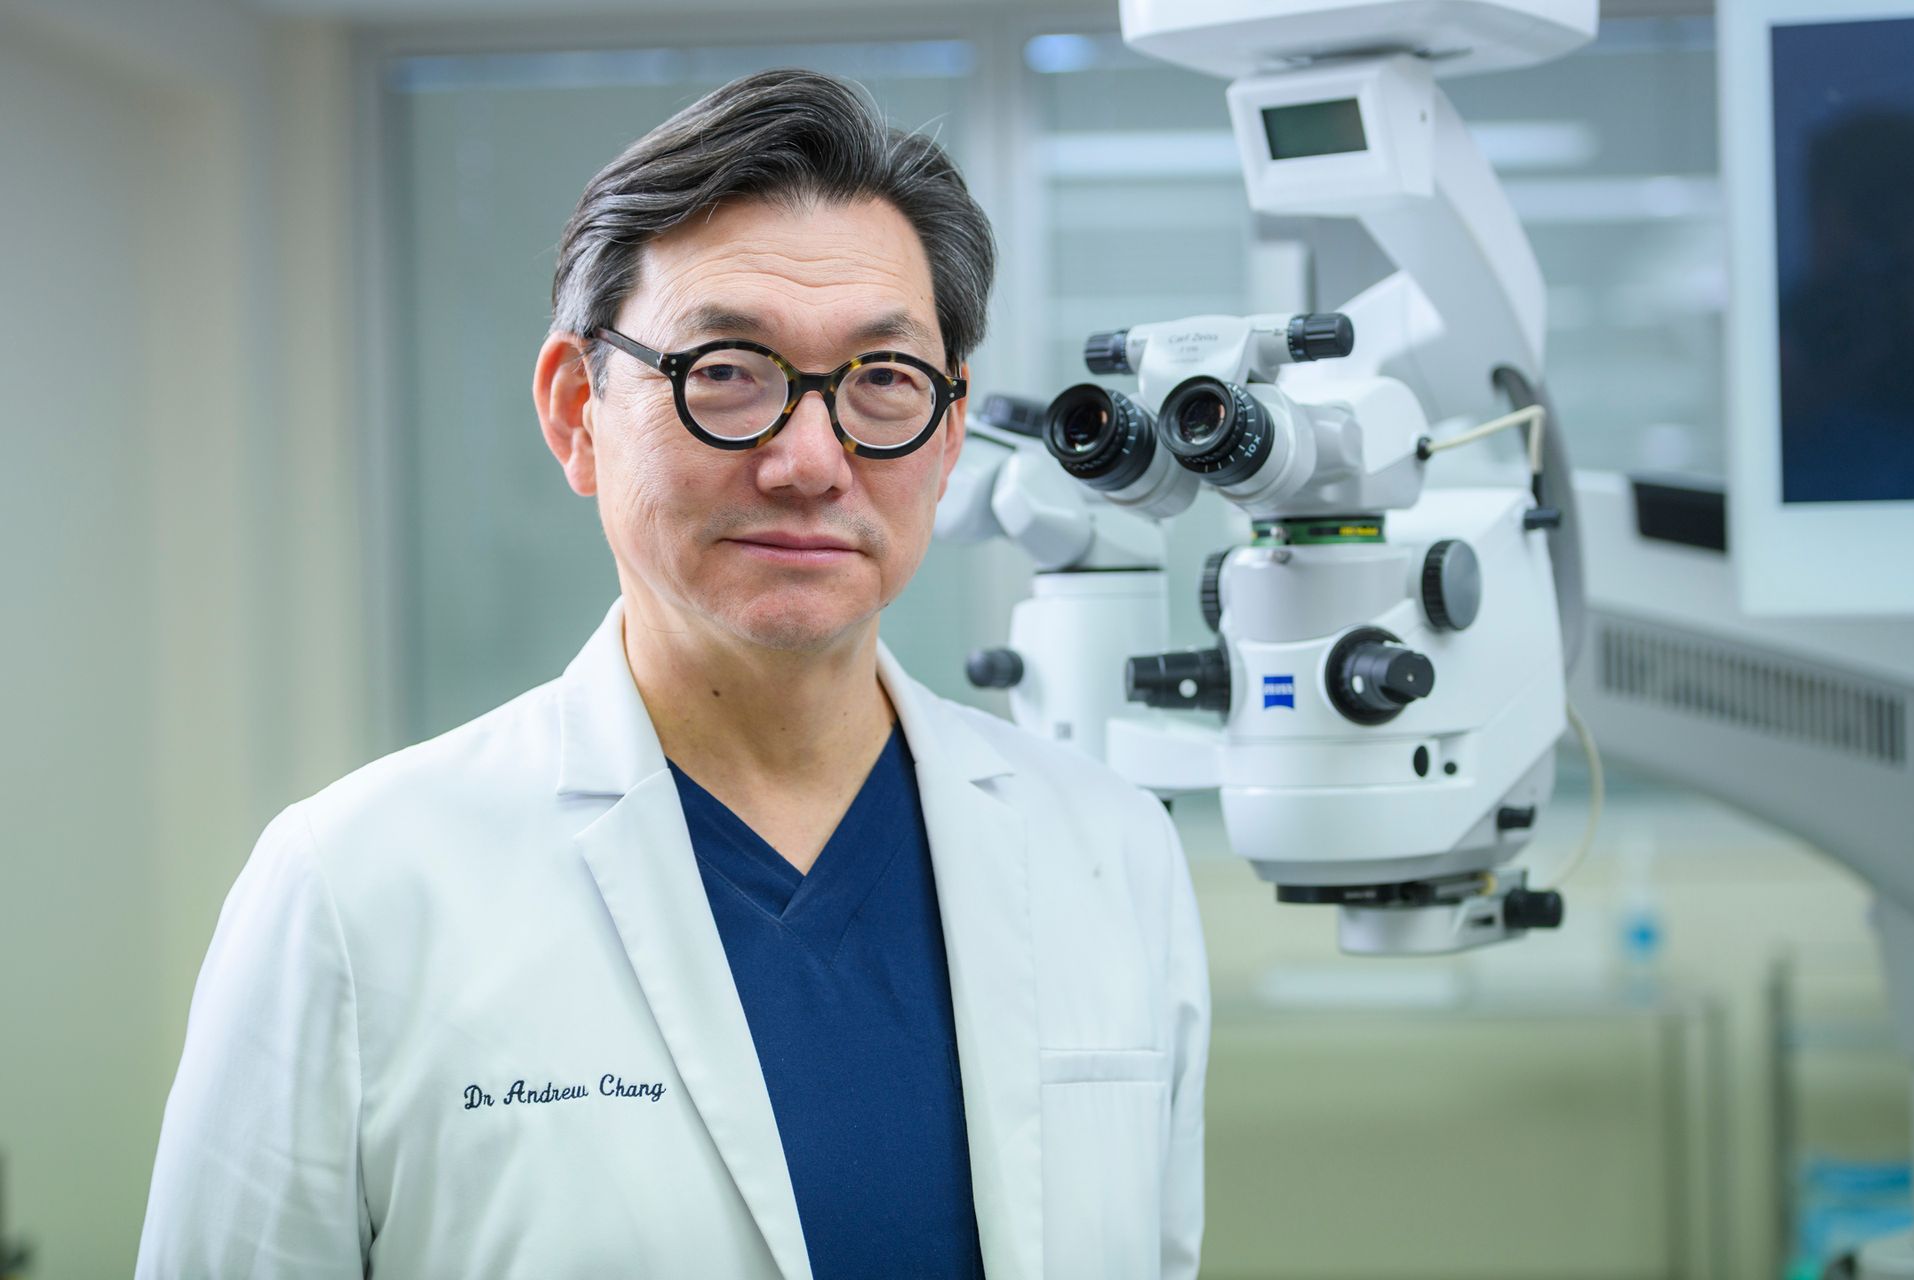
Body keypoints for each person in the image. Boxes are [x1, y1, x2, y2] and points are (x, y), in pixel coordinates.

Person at [137, 67, 1209, 1280]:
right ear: (576, 412)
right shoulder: (354, 888)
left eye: (884, 381)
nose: (813, 460)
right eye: (728, 371)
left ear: (950, 430)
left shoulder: (1111, 850)